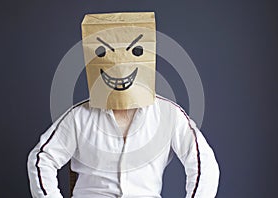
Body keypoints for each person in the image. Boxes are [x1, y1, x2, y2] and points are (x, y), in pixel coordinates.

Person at [27, 12, 220, 198]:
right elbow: (41, 159)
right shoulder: (80, 117)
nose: (119, 69)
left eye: (136, 52)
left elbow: (204, 163)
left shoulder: (168, 114)